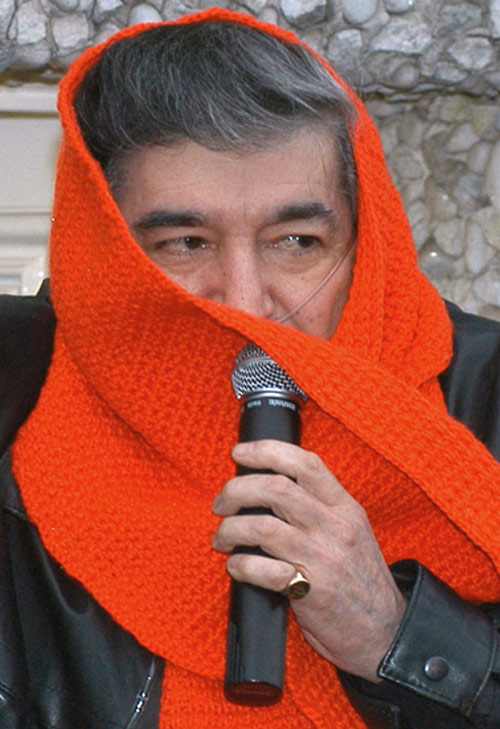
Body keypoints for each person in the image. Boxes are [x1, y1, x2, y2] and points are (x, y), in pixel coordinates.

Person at [1, 7, 500, 728]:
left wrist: (397, 636)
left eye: (296, 241)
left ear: (368, 246)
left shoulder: (486, 400)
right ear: (105, 254)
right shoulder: (16, 405)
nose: (244, 301)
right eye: (185, 243)